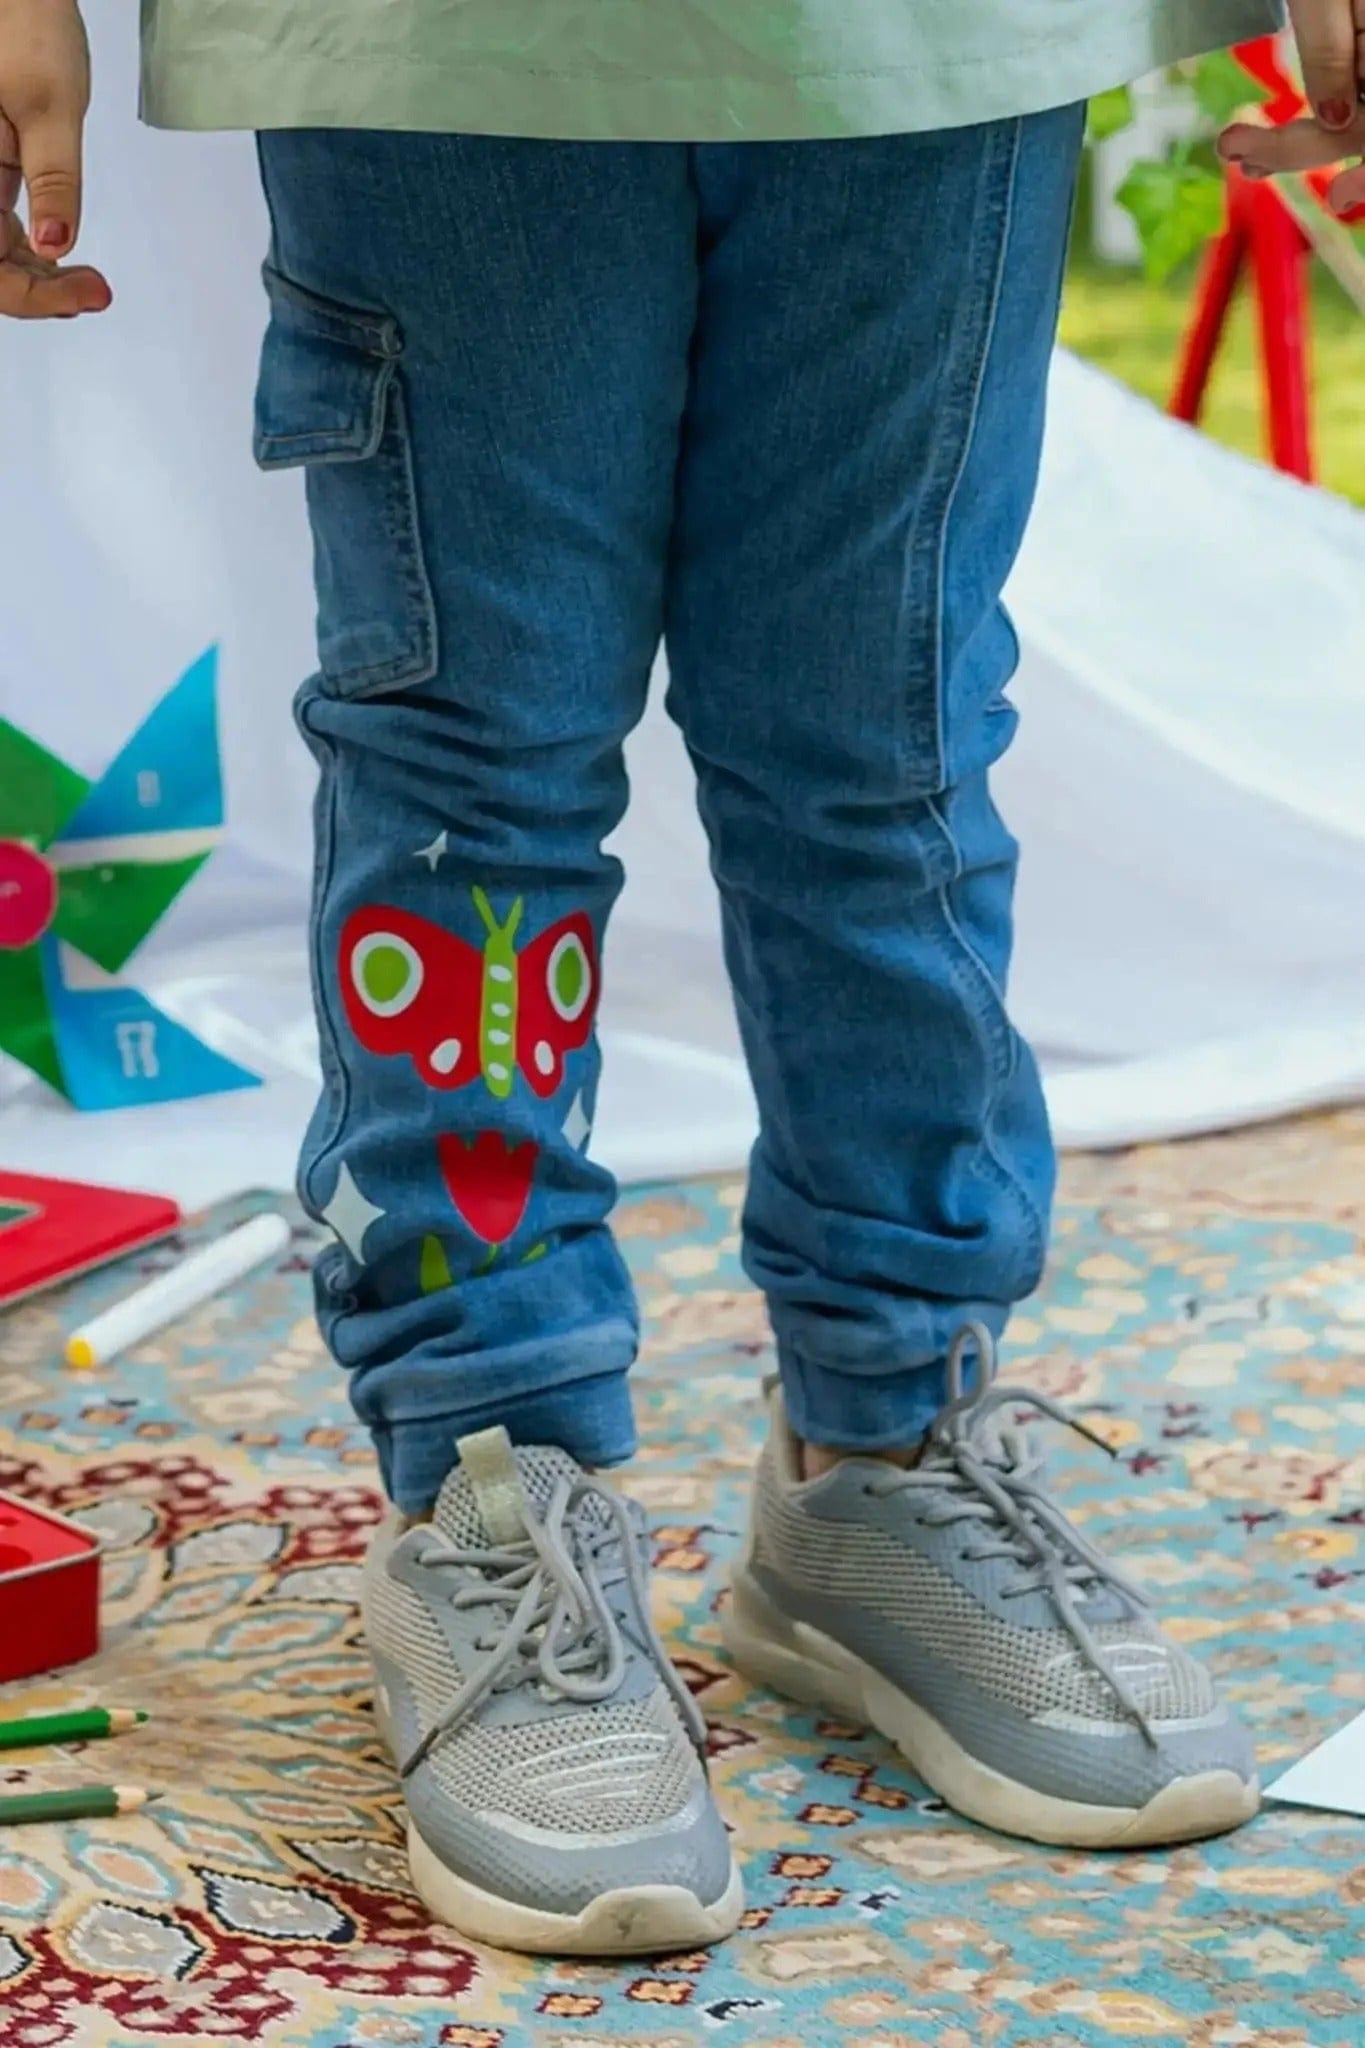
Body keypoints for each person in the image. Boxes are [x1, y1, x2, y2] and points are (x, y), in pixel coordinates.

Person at [5, 0, 1333, 1958]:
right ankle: (490, 1478)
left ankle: (888, 1441)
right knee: (471, 782)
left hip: (930, 36)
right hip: (442, 47)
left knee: (888, 752)